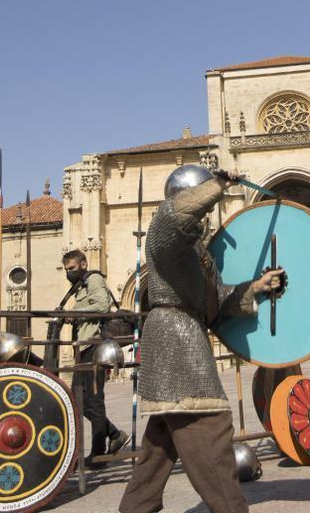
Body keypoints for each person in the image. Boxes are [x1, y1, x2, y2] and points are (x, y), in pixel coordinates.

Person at [118, 166, 284, 513]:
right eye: (204, 203)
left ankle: (137, 507)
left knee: (161, 443)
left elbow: (216, 301)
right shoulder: (166, 238)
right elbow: (175, 217)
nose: (207, 215)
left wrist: (256, 287)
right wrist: (219, 185)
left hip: (187, 333)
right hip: (175, 341)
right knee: (209, 426)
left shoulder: (197, 254)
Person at [61, 249, 128, 469]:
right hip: (84, 347)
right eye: (65, 269)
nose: (68, 273)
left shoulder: (94, 279)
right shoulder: (80, 285)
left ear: (83, 263)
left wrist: (76, 312)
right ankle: (115, 434)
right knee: (75, 400)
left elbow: (101, 305)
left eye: (71, 268)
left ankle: (98, 454)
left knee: (94, 401)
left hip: (94, 346)